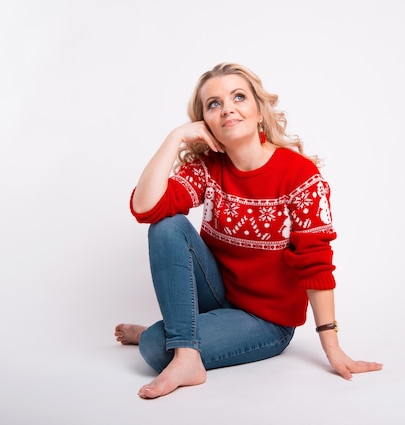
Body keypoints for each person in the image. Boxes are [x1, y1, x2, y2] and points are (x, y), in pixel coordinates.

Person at [115, 62, 382, 399]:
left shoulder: (299, 175)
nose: (227, 108)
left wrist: (333, 348)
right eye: (214, 104)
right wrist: (176, 136)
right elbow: (146, 208)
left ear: (259, 111)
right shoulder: (209, 169)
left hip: (266, 321)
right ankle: (186, 352)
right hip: (219, 295)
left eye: (238, 97)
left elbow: (316, 265)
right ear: (206, 123)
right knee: (167, 226)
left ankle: (169, 338)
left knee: (155, 347)